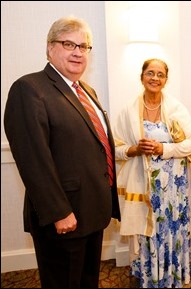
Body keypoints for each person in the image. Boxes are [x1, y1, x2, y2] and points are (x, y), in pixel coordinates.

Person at [3, 16, 121, 288]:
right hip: (63, 219)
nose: (78, 52)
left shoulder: (87, 91)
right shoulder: (29, 89)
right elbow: (33, 159)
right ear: (49, 48)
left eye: (84, 46)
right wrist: (59, 212)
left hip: (92, 212)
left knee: (87, 281)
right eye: (69, 44)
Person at [113, 58, 191, 288]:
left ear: (166, 80)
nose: (155, 78)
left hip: (174, 189)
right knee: (148, 230)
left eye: (160, 74)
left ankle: (173, 275)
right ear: (142, 77)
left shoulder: (176, 109)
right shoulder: (128, 112)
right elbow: (114, 150)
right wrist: (135, 149)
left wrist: (165, 149)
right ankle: (151, 276)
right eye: (150, 73)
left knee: (172, 229)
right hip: (146, 187)